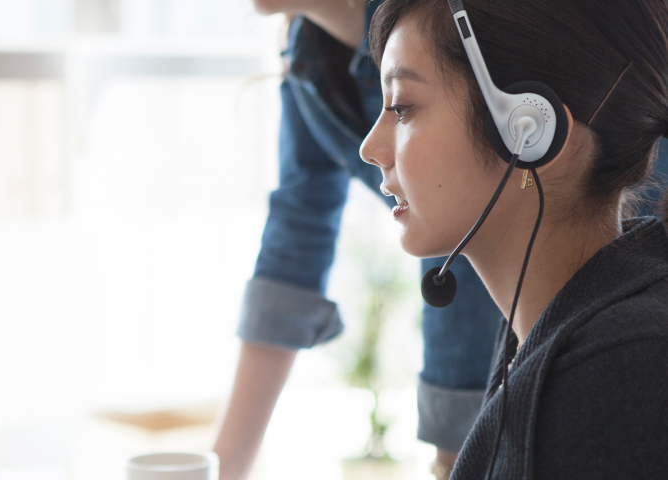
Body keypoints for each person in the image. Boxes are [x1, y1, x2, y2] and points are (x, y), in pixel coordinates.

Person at [360, 0, 668, 478]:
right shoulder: (557, 332)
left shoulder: (616, 371)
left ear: (530, 131)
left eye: (402, 107)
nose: (370, 148)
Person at [214, 1, 509, 479]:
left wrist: (455, 445)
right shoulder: (306, 50)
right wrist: (221, 467)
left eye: (404, 109)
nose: (372, 150)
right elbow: (294, 239)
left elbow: (464, 235)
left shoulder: (444, 28)